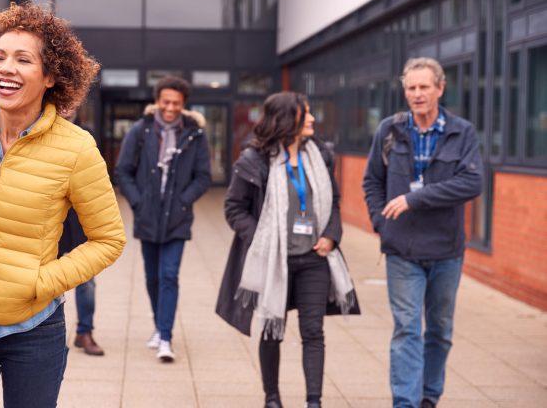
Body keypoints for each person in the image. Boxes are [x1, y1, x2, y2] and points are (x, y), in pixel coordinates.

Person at [0, 2, 126, 408]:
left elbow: (108, 239)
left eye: (23, 59)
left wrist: (40, 283)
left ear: (51, 75)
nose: (6, 68)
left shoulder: (77, 148)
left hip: (33, 331)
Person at [216, 92, 360, 408]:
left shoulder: (320, 154)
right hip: (273, 261)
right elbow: (234, 208)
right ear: (286, 119)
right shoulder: (254, 160)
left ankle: (314, 401)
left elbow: (333, 202)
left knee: (313, 331)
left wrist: (332, 235)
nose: (311, 119)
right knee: (272, 329)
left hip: (314, 259)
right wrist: (263, 240)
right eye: (304, 113)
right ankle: (272, 397)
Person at [363, 58, 483, 408]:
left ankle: (429, 396)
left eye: (424, 87)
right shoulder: (389, 130)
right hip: (402, 249)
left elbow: (472, 182)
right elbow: (372, 180)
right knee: (406, 330)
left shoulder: (462, 132)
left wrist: (415, 199)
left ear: (440, 89)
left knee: (440, 331)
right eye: (411, 88)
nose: (417, 94)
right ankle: (406, 402)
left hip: (447, 249)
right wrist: (380, 222)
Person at [114, 75, 211, 362]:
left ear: (184, 105)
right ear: (157, 101)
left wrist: (183, 201)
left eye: (177, 103)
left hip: (178, 219)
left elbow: (203, 177)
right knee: (153, 277)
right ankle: (159, 325)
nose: (170, 108)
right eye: (166, 102)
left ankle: (166, 337)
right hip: (147, 216)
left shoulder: (195, 135)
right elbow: (123, 172)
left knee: (169, 275)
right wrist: (139, 202)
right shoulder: (140, 131)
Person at [59, 113, 105, 356]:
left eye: (71, 104)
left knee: (86, 281)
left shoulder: (86, 136)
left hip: (80, 223)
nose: (66, 109)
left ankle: (85, 332)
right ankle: (49, 334)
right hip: (50, 222)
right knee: (48, 283)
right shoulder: (37, 133)